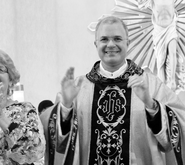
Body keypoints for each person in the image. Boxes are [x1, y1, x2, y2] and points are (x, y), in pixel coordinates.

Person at [40, 16, 185, 165]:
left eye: (117, 38)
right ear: (95, 44)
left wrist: (151, 106)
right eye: (104, 39)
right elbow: (59, 144)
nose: (110, 44)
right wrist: (65, 108)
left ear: (127, 42)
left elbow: (176, 133)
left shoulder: (150, 85)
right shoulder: (78, 87)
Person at [137, 0, 180, 92]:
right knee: (161, 61)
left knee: (172, 53)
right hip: (159, 30)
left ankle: (172, 80)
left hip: (171, 27)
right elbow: (140, 4)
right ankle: (162, 88)